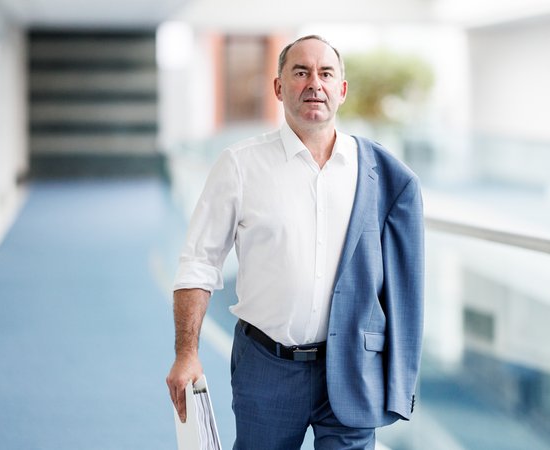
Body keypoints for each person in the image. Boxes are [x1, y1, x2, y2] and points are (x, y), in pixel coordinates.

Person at [166, 35, 424, 450]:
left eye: (325, 73)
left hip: (352, 369)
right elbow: (198, 262)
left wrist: (399, 376)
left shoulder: (378, 172)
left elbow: (404, 287)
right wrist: (186, 353)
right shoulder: (240, 165)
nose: (313, 84)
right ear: (279, 87)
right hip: (267, 367)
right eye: (300, 72)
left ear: (341, 89)